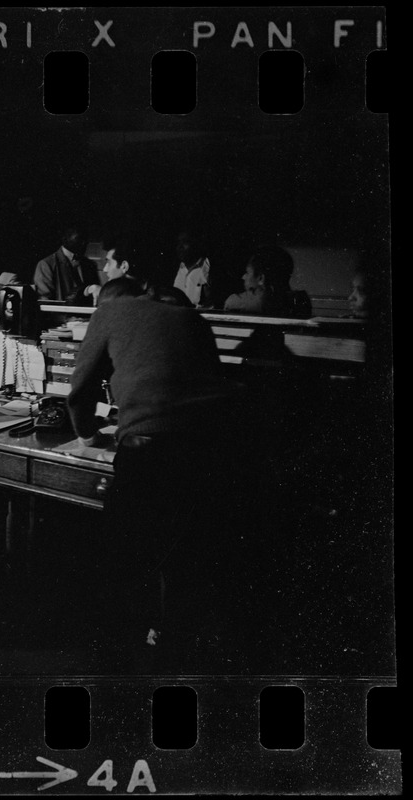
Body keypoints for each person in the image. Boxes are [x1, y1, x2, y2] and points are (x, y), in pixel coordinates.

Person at [67, 291, 245, 656]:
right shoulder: (192, 318)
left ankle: (120, 656)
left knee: (124, 555)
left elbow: (81, 387)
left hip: (151, 450)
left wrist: (86, 434)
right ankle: (167, 645)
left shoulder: (110, 310)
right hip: (214, 447)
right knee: (184, 557)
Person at [223, 245, 311, 317]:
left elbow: (231, 302)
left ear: (261, 278)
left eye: (247, 272)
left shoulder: (261, 303)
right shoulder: (299, 301)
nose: (243, 277)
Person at [33, 225, 101, 304]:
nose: (84, 243)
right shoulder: (46, 265)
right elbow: (45, 301)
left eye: (85, 239)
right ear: (65, 239)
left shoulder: (90, 265)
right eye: (79, 238)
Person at [172, 229, 213, 307]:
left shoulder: (208, 267)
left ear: (196, 244)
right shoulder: (176, 268)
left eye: (185, 242)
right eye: (178, 243)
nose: (180, 247)